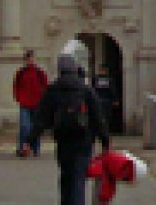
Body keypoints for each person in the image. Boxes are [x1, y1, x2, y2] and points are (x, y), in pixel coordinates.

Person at [24, 54, 110, 205]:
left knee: (66, 175)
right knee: (79, 177)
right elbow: (98, 118)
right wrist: (105, 141)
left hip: (63, 139)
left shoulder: (53, 90)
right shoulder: (85, 90)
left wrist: (29, 142)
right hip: (84, 139)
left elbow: (41, 120)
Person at [13, 49, 48, 157]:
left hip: (37, 103)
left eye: (31, 59)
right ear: (25, 60)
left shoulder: (40, 72)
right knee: (24, 126)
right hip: (24, 103)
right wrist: (18, 97)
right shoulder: (21, 72)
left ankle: (35, 148)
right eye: (28, 59)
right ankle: (22, 147)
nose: (30, 61)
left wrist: (43, 100)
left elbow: (45, 86)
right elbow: (16, 86)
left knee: (35, 127)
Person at [92, 65, 120, 133]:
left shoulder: (96, 79)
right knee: (106, 117)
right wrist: (115, 99)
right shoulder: (108, 79)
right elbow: (112, 90)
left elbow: (93, 90)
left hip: (99, 101)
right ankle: (105, 130)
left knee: (100, 116)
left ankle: (101, 131)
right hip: (106, 101)